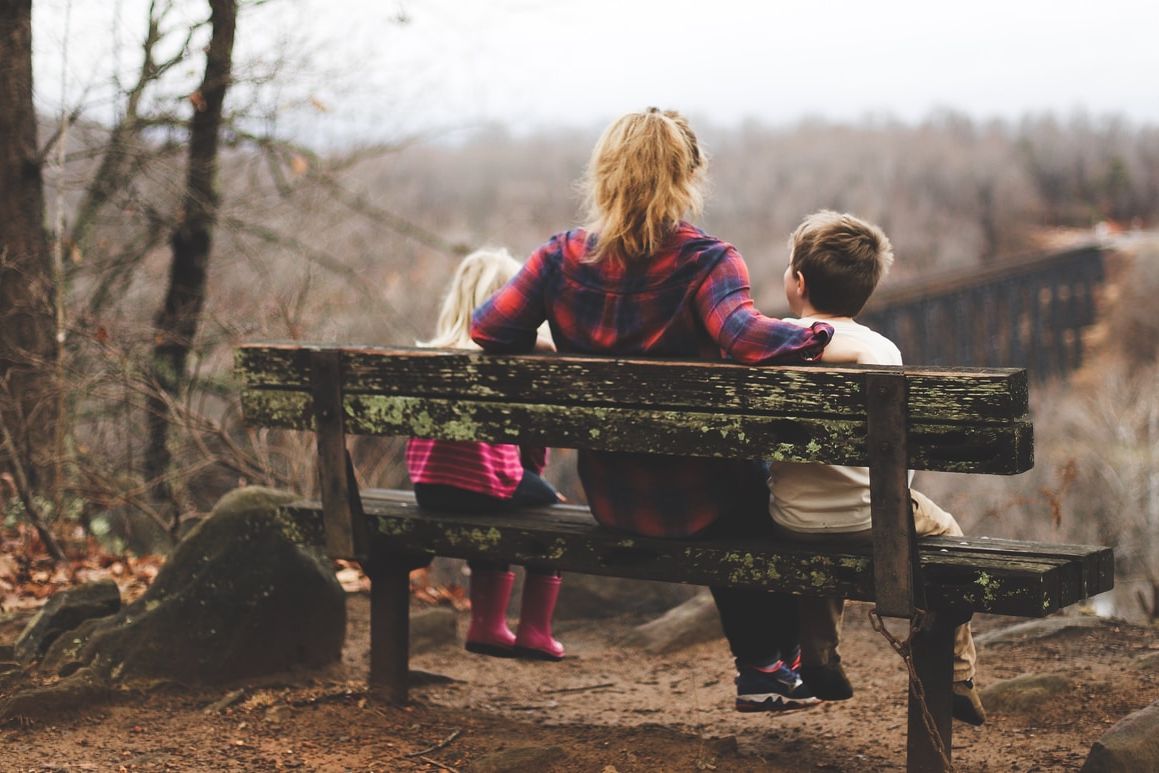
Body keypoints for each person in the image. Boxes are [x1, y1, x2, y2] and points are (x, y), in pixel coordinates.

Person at [471, 108, 834, 711]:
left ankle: (774, 666)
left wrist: (546, 345)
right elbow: (744, 337)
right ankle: (770, 665)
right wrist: (819, 334)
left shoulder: (559, 257)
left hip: (613, 498)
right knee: (758, 493)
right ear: (688, 176)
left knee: (739, 488)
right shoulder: (707, 261)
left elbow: (488, 329)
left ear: (604, 174)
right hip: (703, 502)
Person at [767, 209, 986, 725]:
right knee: (948, 535)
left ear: (797, 282)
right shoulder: (881, 350)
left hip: (791, 519)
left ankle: (818, 657)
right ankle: (957, 673)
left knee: (821, 532)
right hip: (873, 519)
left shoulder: (770, 343)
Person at [406, 248, 567, 661]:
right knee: (551, 511)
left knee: (496, 500)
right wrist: (536, 480)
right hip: (485, 486)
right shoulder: (509, 360)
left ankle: (487, 625)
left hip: (429, 489)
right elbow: (532, 441)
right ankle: (534, 631)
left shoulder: (431, 356)